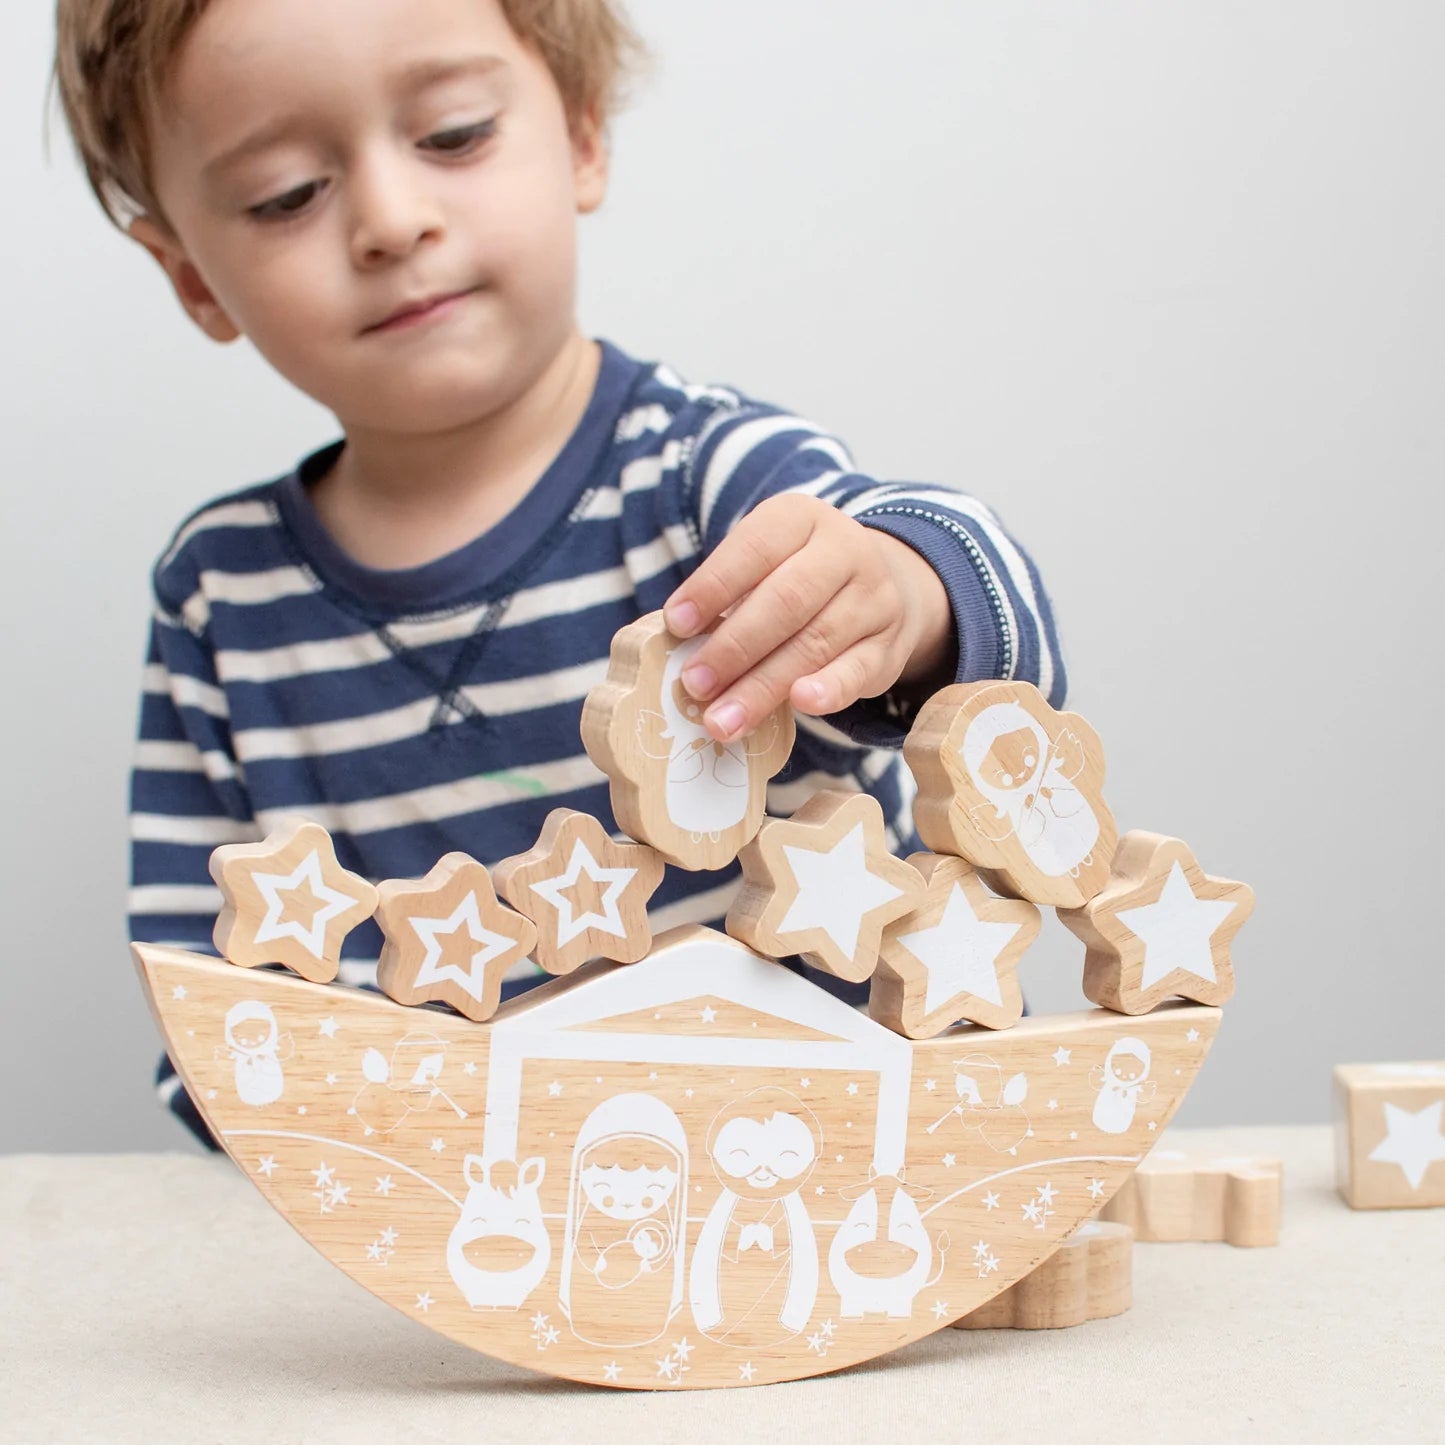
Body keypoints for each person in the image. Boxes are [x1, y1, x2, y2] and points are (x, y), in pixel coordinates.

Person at [53, 0, 1067, 1148]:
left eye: (453, 136)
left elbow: (1003, 670)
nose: (390, 221)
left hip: (829, 1172)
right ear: (190, 274)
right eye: (287, 193)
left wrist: (905, 590)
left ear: (581, 133)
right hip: (476, 1250)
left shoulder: (702, 474)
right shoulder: (219, 597)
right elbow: (203, 989)